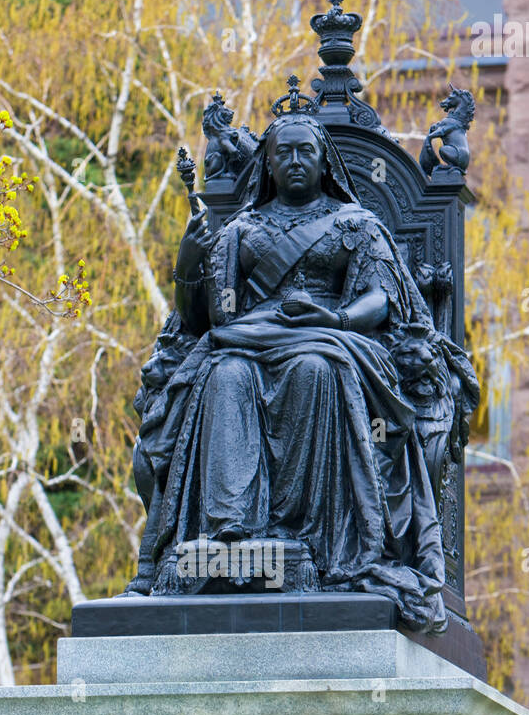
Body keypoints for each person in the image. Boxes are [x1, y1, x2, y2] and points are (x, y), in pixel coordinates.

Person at [131, 109, 478, 633]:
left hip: (333, 336)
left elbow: (381, 298)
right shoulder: (241, 230)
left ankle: (308, 536)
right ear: (268, 163)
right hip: (248, 339)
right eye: (283, 153)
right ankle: (231, 533)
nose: (294, 161)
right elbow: (216, 315)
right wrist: (188, 264)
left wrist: (333, 317)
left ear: (322, 161)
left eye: (305, 152)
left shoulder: (356, 225)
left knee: (314, 369)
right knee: (223, 374)